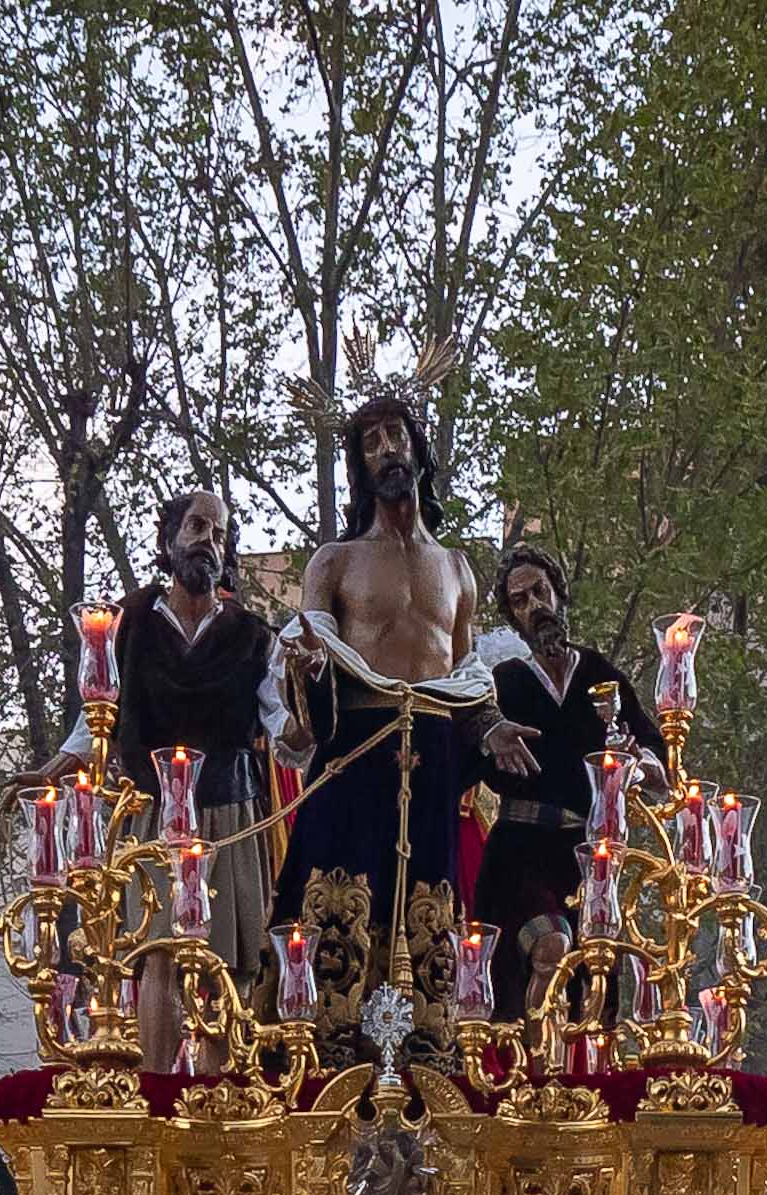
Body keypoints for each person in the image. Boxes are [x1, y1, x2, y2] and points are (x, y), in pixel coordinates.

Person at [275, 385, 502, 1047]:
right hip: (358, 750)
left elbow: (465, 680)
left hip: (430, 758)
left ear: (417, 446)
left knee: (428, 920)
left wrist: (490, 727)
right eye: (369, 441)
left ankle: (426, 1063)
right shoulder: (335, 561)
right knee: (337, 914)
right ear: (359, 465)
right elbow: (312, 649)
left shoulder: (457, 569)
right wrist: (308, 668)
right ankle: (327, 1057)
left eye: (393, 434)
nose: (384, 449)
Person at [60, 487, 278, 1073]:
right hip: (155, 816)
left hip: (228, 812)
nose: (209, 540)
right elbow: (97, 711)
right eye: (198, 527)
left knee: (223, 961)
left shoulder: (253, 636)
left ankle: (214, 1100)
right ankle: (159, 1096)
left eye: (220, 532)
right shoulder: (128, 625)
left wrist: (311, 725)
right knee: (157, 952)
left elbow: (283, 726)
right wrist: (62, 763)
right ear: (170, 539)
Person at [475, 544, 661, 1017]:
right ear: (512, 617)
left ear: (559, 593)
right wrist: (489, 737)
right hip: (520, 852)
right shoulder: (505, 682)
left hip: (587, 855)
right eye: (520, 601)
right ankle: (537, 1075)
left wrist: (641, 766)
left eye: (540, 591)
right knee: (551, 948)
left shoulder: (599, 676)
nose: (534, 606)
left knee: (594, 982)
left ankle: (578, 1077)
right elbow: (467, 749)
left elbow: (657, 760)